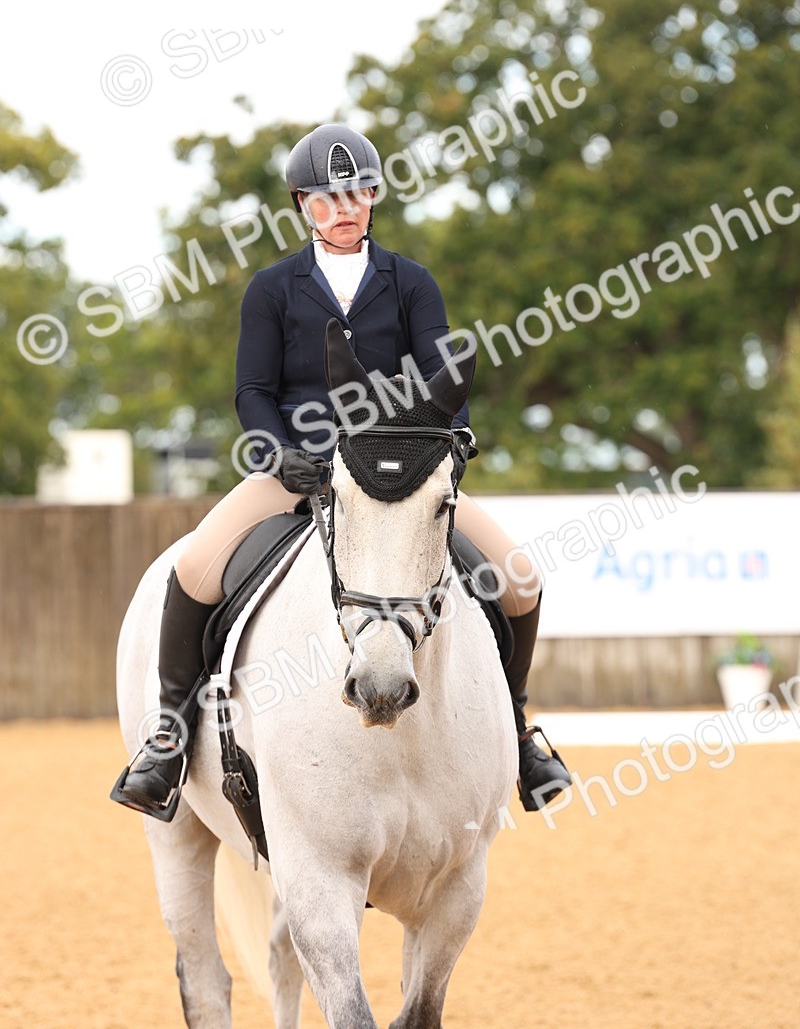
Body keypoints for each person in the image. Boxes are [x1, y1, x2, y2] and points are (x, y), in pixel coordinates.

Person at [116, 124, 571, 816]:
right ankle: (169, 741)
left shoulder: (411, 282)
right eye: (327, 198)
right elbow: (252, 391)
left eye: (357, 191)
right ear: (303, 204)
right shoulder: (273, 289)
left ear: (376, 195)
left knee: (519, 577)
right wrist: (276, 454)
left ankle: (517, 731)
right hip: (297, 468)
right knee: (193, 571)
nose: (344, 207)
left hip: (398, 474)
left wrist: (445, 442)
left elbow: (441, 377)